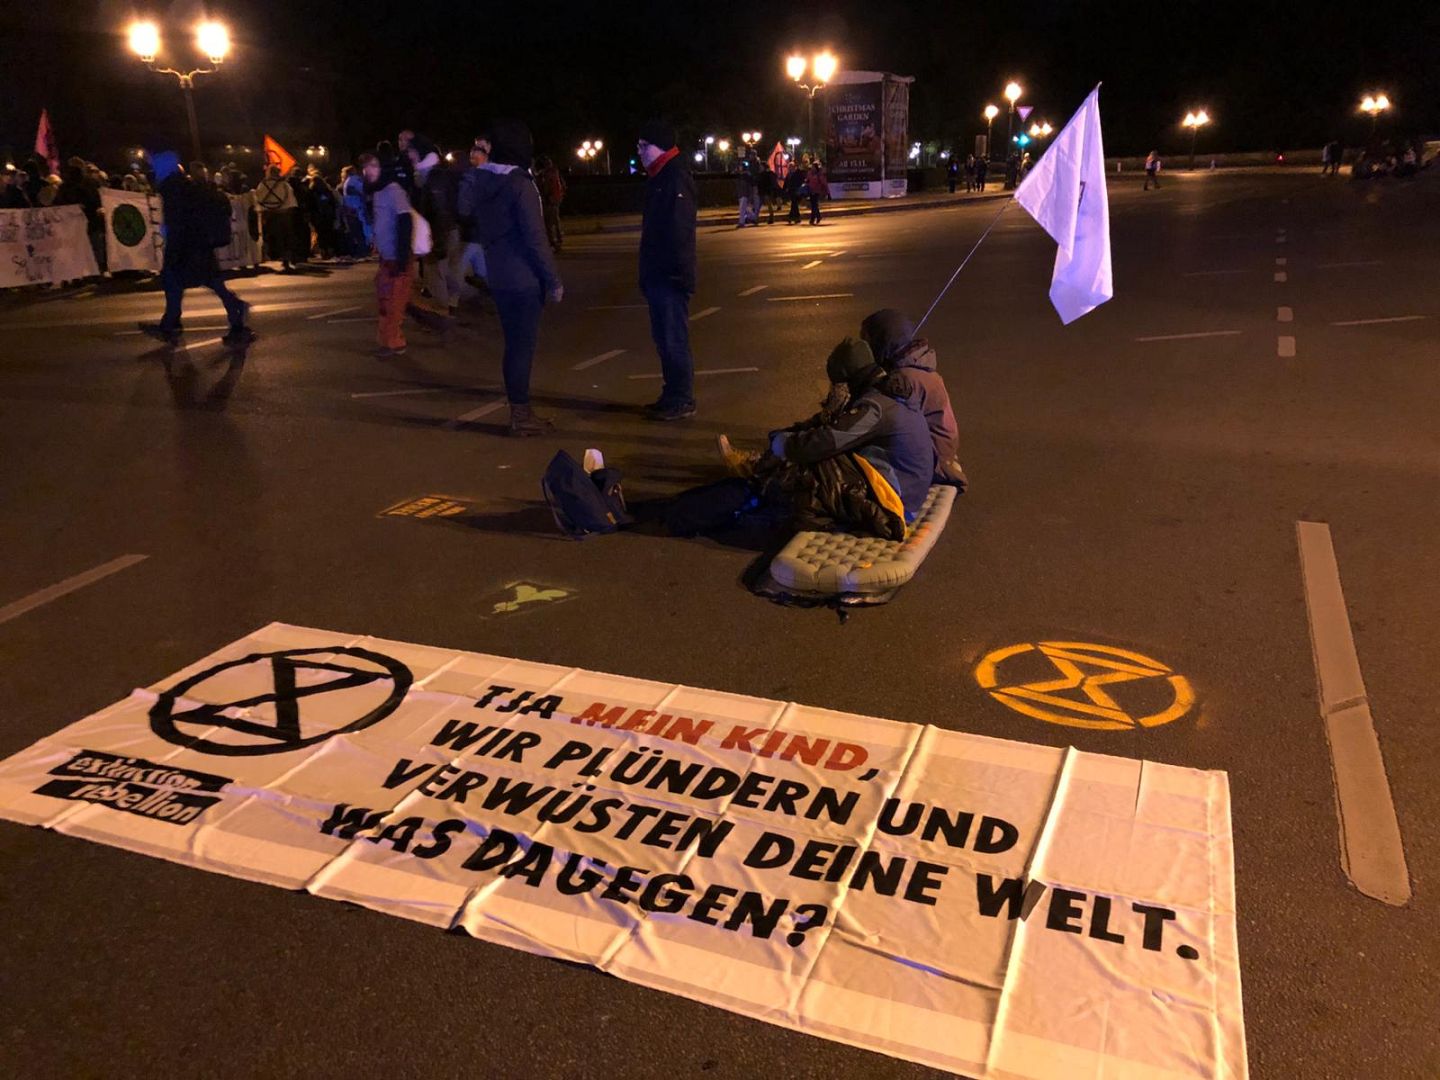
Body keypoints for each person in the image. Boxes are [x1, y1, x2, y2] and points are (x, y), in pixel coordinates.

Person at [714, 338, 935, 540]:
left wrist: (785, 444)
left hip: (895, 501)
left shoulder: (874, 408)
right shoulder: (887, 392)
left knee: (812, 465)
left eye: (838, 384)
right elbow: (831, 427)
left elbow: (828, 440)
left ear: (850, 378)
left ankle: (752, 472)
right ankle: (754, 468)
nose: (836, 391)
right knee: (815, 451)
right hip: (907, 489)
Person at [457, 119, 563, 435]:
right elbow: (535, 238)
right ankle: (521, 415)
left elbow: (464, 210)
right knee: (522, 347)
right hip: (524, 278)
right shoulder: (520, 184)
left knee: (513, 346)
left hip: (499, 276)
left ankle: (519, 409)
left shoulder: (480, 181)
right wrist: (553, 280)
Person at [137, 152, 253, 348]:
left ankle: (172, 324)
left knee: (177, 281)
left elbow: (177, 221)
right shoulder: (189, 187)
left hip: (185, 246)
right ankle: (174, 323)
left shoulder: (174, 189)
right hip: (198, 245)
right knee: (206, 281)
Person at [859, 308, 966, 489]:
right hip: (937, 449)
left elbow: (883, 419)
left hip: (933, 458)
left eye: (866, 341)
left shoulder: (905, 378)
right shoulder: (912, 368)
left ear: (881, 340)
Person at [636, 120, 698, 421]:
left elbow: (679, 230)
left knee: (673, 339)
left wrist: (677, 273)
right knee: (664, 338)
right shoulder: (662, 176)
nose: (639, 151)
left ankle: (681, 398)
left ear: (659, 146)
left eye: (643, 145)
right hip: (660, 273)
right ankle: (672, 393)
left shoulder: (674, 177)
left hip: (669, 275)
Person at [365, 146, 415, 358]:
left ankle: (394, 343)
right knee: (386, 302)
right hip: (387, 257)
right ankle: (389, 341)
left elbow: (405, 222)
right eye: (366, 166)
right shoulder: (377, 191)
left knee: (393, 303)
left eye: (374, 165)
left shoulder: (393, 190)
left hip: (396, 258)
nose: (368, 170)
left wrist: (400, 259)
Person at [408, 135, 461, 322]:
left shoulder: (434, 176)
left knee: (435, 273)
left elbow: (440, 211)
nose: (409, 155)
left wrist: (437, 241)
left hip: (441, 231)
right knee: (443, 272)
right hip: (441, 230)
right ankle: (449, 303)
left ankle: (442, 313)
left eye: (412, 151)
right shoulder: (426, 174)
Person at [254, 165, 300, 270]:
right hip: (284, 214)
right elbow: (291, 201)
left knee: (274, 238)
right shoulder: (284, 185)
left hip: (270, 215)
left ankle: (277, 256)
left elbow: (258, 199)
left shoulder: (262, 185)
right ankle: (286, 259)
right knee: (286, 238)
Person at [303, 165, 339, 260]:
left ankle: (323, 251)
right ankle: (329, 251)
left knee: (320, 234)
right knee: (328, 233)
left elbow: (309, 204)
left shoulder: (311, 191)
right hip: (328, 216)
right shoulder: (327, 191)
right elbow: (333, 203)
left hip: (317, 216)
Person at [534, 156, 566, 253]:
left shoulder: (544, 175)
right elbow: (563, 185)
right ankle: (559, 240)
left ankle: (553, 243)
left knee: (548, 223)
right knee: (555, 221)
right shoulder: (556, 172)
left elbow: (543, 187)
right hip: (556, 200)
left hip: (548, 201)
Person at [339, 162, 371, 257]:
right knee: (359, 231)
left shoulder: (350, 181)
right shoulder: (354, 180)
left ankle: (361, 251)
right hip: (356, 209)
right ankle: (363, 251)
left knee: (356, 232)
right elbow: (363, 191)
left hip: (353, 209)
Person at [784, 157, 807, 224]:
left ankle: (793, 217)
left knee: (794, 203)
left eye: (791, 167)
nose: (790, 168)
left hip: (797, 190)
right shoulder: (789, 174)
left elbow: (802, 180)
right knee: (794, 204)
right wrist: (785, 189)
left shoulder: (798, 172)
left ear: (794, 167)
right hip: (791, 191)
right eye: (789, 167)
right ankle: (794, 217)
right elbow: (786, 182)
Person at [806, 160, 828, 225]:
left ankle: (813, 218)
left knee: (814, 205)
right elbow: (807, 180)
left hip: (817, 191)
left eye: (813, 167)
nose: (812, 168)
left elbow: (823, 182)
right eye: (812, 166)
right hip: (811, 190)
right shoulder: (809, 173)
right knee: (813, 205)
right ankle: (817, 217)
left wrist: (826, 191)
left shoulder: (819, 174)